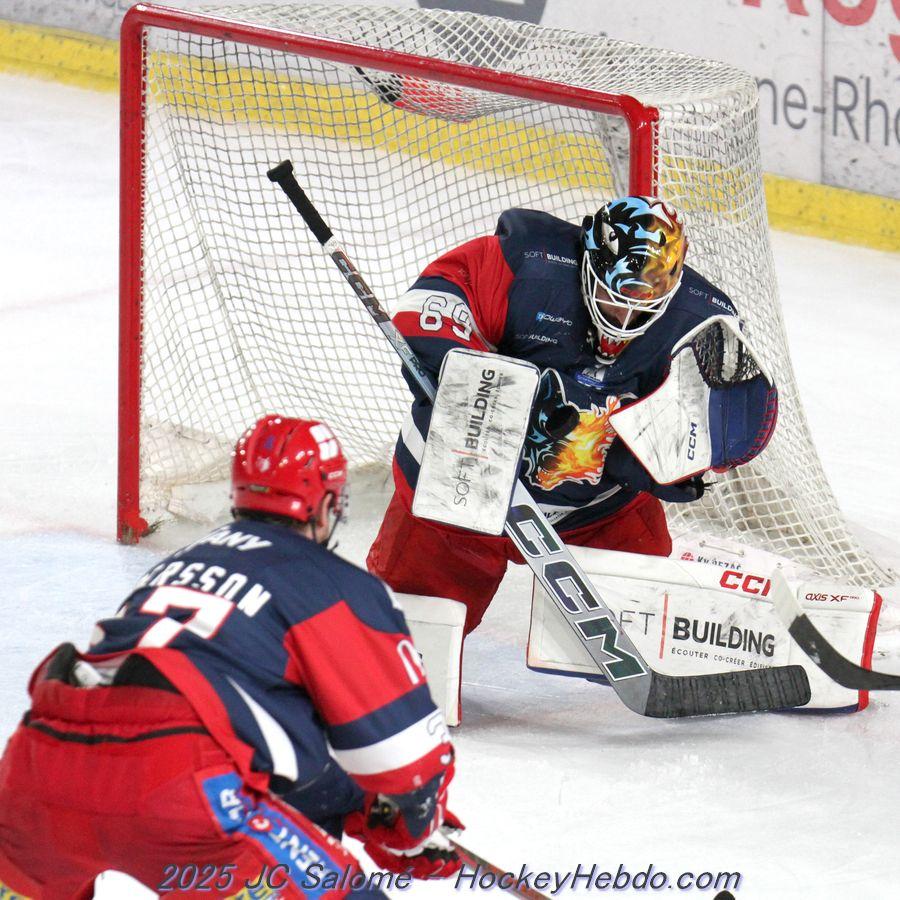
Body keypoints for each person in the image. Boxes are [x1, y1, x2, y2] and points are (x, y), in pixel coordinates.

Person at [0, 416, 461, 899]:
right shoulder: (334, 585)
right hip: (179, 785)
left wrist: (359, 804)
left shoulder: (174, 566)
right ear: (328, 504)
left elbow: (242, 722)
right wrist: (412, 827)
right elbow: (405, 759)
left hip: (37, 768)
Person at [368, 196, 776, 635]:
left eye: (642, 305)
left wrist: (645, 460)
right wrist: (499, 394)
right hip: (458, 484)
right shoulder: (529, 263)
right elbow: (427, 310)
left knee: (640, 618)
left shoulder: (702, 325)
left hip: (595, 509)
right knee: (401, 637)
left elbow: (732, 421)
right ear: (589, 259)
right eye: (612, 297)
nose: (624, 317)